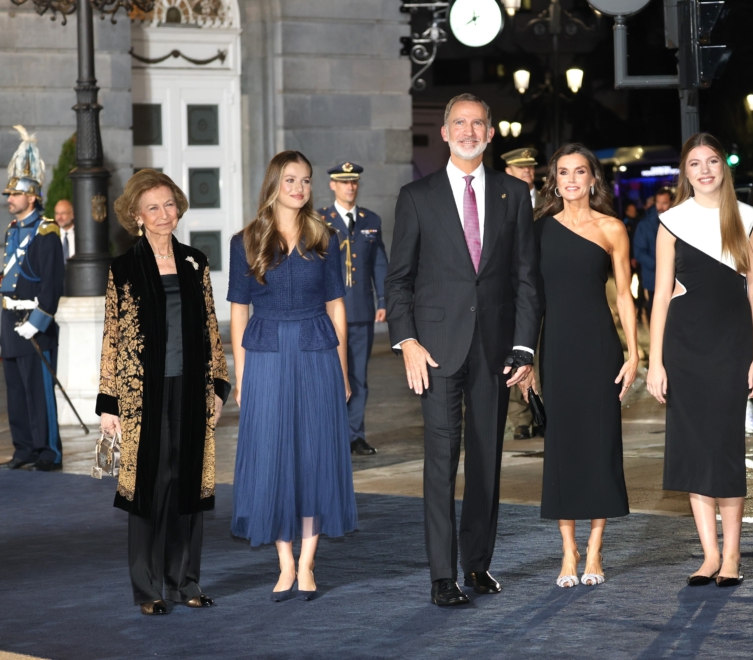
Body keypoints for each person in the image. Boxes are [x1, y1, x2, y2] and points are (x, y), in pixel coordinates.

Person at [385, 93, 541, 607]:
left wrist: (524, 347)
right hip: (434, 350)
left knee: (486, 461)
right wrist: (406, 340)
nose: (469, 131)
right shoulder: (416, 196)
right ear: (445, 132)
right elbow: (399, 279)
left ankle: (477, 565)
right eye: (460, 123)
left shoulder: (513, 195)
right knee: (440, 460)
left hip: (496, 350)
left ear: (491, 133)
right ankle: (440, 575)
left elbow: (525, 278)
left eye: (479, 122)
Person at [97, 169, 230, 615]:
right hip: (141, 396)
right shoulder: (124, 268)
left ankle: (185, 581)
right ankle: (148, 588)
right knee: (149, 488)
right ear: (137, 215)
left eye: (169, 204)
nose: (164, 214)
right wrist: (109, 403)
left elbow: (212, 328)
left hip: (192, 390)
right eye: (153, 207)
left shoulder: (196, 262)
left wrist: (217, 386)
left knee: (188, 484)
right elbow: (112, 337)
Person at [229, 151, 357, 602]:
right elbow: (238, 312)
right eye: (290, 180)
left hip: (316, 351)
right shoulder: (245, 240)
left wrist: (343, 371)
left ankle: (307, 564)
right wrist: (241, 378)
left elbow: (337, 307)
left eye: (305, 180)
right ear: (273, 184)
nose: (299, 188)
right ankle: (284, 563)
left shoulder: (325, 237)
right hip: (265, 356)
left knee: (314, 455)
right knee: (273, 457)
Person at [646, 133, 753, 588]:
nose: (704, 170)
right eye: (695, 163)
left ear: (724, 167)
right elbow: (660, 296)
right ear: (686, 171)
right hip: (684, 349)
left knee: (724, 449)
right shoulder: (669, 223)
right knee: (695, 449)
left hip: (731, 347)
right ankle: (709, 555)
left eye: (712, 161)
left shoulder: (749, 218)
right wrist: (654, 364)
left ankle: (733, 554)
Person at [522, 143, 639, 588]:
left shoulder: (612, 229)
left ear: (593, 179)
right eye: (563, 173)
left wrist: (635, 353)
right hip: (557, 350)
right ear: (554, 180)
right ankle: (568, 552)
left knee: (601, 445)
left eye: (580, 171)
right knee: (564, 449)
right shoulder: (539, 230)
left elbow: (624, 296)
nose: (571, 180)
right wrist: (527, 356)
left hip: (600, 350)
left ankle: (594, 550)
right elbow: (529, 300)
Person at [0, 126, 65, 472]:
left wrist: (37, 323)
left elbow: (51, 285)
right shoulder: (13, 230)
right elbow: (12, 279)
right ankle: (23, 448)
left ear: (33, 196)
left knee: (39, 392)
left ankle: (48, 452)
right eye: (9, 193)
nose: (9, 199)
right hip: (11, 322)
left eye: (15, 194)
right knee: (16, 392)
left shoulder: (47, 232)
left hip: (34, 323)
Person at [318, 161, 388, 456]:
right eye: (344, 182)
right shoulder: (319, 219)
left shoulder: (370, 219)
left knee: (358, 374)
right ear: (333, 185)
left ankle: (355, 435)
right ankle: (331, 435)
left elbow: (380, 263)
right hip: (328, 312)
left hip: (360, 310)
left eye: (354, 182)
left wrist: (383, 300)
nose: (350, 186)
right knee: (331, 374)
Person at [501, 147, 543, 440]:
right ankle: (520, 419)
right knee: (518, 350)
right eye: (521, 168)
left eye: (530, 167)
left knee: (542, 350)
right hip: (514, 289)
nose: (528, 172)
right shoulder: (501, 202)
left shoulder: (549, 200)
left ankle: (543, 411)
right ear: (508, 172)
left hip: (546, 284)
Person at [632, 187, 673, 324]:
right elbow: (639, 252)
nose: (661, 207)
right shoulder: (645, 224)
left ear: (671, 202)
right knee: (656, 313)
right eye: (659, 202)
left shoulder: (679, 221)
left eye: (665, 203)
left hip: (677, 278)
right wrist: (661, 266)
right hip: (654, 278)